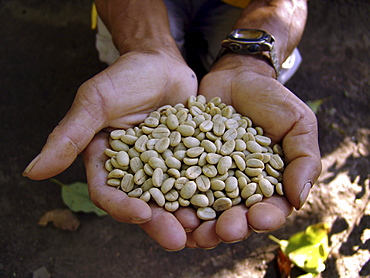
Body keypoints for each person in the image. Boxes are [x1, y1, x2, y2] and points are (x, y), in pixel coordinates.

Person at [23, 0, 322, 251]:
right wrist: (147, 46)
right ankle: (155, 56)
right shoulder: (157, 150)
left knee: (213, 59)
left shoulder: (234, 147)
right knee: (140, 50)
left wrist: (251, 61)